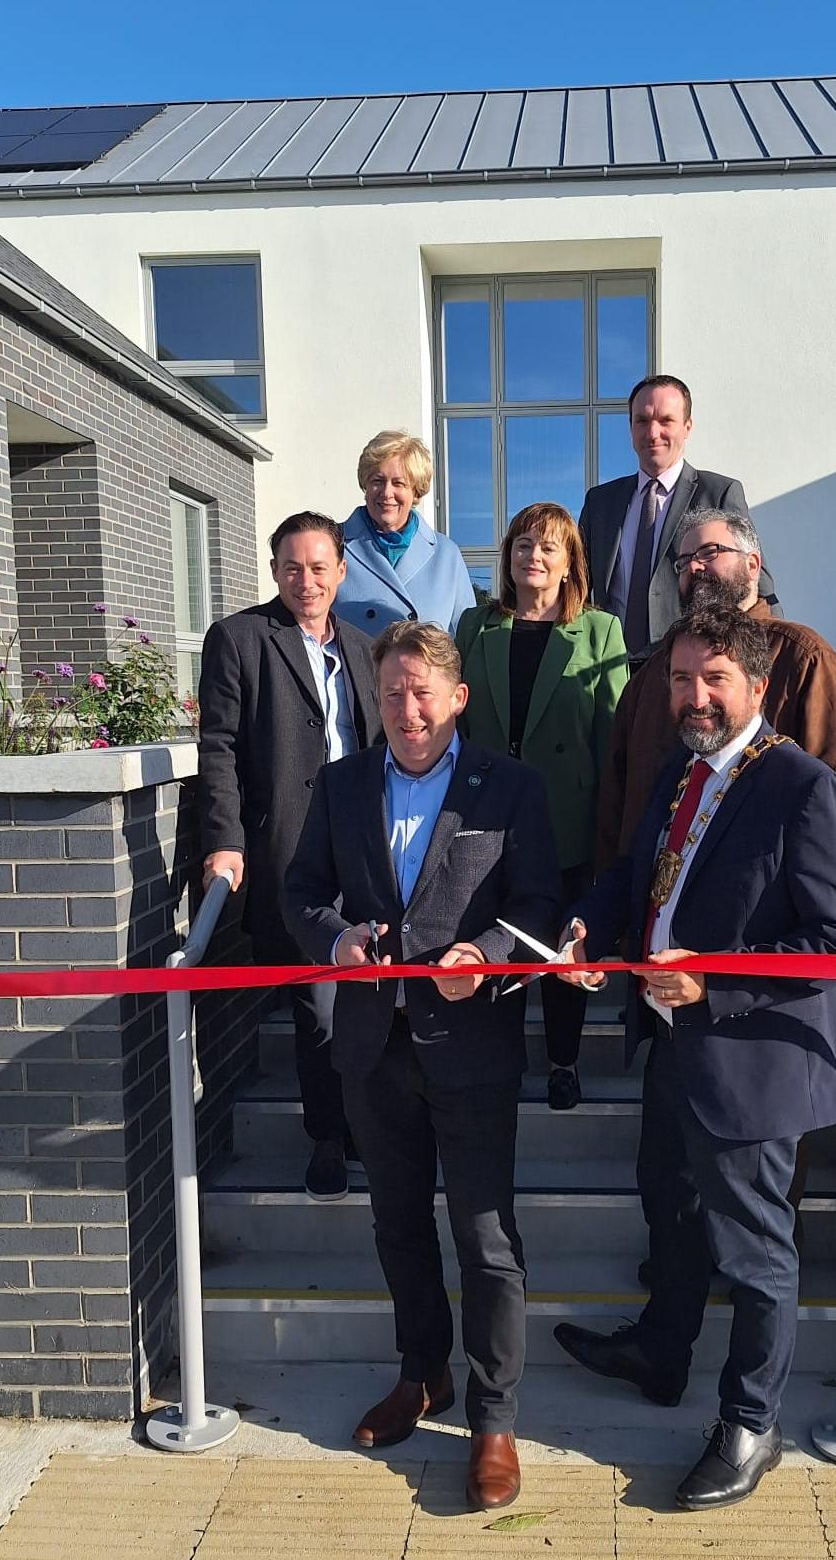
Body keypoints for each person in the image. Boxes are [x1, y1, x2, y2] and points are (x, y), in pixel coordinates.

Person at [552, 608, 836, 1511]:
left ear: (756, 688)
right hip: (672, 1045)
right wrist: (590, 922)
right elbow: (632, 872)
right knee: (672, 1209)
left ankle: (749, 1422)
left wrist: (714, 988)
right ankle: (661, 1351)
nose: (694, 697)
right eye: (682, 680)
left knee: (755, 1248)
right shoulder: (678, 772)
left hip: (750, 1060)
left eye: (713, 681)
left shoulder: (803, 790)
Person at [282, 620, 561, 1513]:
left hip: (470, 1045)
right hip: (370, 1047)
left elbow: (538, 904)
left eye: (423, 693)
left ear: (457, 698)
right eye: (394, 693)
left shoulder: (508, 788)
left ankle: (494, 1417)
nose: (408, 710)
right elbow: (300, 893)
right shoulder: (340, 783)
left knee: (485, 1241)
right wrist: (338, 937)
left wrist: (481, 950)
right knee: (398, 1225)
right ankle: (422, 1374)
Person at [197, 511, 382, 1202]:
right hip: (290, 847)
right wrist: (225, 838)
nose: (306, 581)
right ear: (274, 570)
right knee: (317, 999)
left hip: (364, 847)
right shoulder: (240, 638)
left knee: (363, 993)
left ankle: (364, 1121)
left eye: (318, 567)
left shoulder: (364, 648)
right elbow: (216, 747)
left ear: (340, 572)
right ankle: (327, 1136)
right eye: (291, 567)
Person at [454, 503, 628, 1110]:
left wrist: (610, 832)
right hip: (489, 816)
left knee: (561, 944)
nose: (534, 556)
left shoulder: (601, 631)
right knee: (494, 937)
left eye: (549, 547)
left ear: (569, 562)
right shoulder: (476, 626)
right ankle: (493, 1062)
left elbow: (613, 739)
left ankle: (563, 1062)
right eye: (523, 544)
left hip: (567, 820)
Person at [597, 508, 836, 869]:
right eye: (683, 562)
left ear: (752, 565)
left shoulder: (804, 660)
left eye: (709, 553)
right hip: (648, 910)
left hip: (758, 912)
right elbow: (615, 804)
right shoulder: (651, 674)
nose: (694, 568)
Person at [578, 374, 777, 661]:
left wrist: (773, 662)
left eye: (665, 421)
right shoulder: (600, 502)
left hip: (688, 668)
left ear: (687, 427)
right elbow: (576, 590)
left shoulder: (718, 494)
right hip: (609, 671)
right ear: (631, 428)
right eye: (642, 421)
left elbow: (761, 591)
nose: (652, 432)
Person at [334, 429, 475, 636]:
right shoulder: (332, 545)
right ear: (365, 485)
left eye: (398, 483)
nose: (386, 493)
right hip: (355, 668)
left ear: (416, 491)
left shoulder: (446, 554)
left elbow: (465, 639)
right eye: (377, 481)